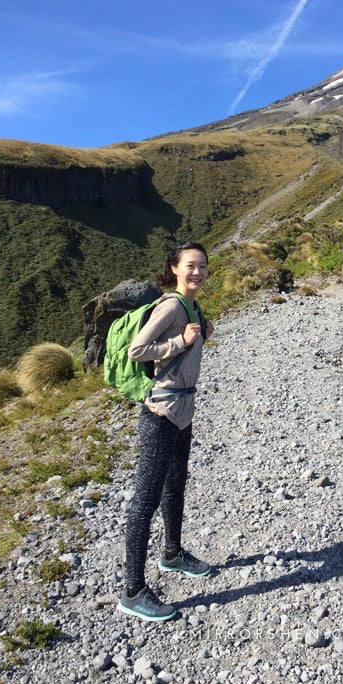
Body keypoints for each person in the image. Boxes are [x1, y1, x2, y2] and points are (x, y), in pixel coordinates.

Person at [118, 242, 215, 621]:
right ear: (174, 268)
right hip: (161, 411)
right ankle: (133, 591)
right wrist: (183, 341)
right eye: (190, 266)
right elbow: (138, 350)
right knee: (145, 499)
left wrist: (203, 332)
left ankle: (172, 553)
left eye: (203, 266)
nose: (197, 272)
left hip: (183, 409)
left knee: (176, 483)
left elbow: (183, 351)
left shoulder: (192, 306)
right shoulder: (172, 305)